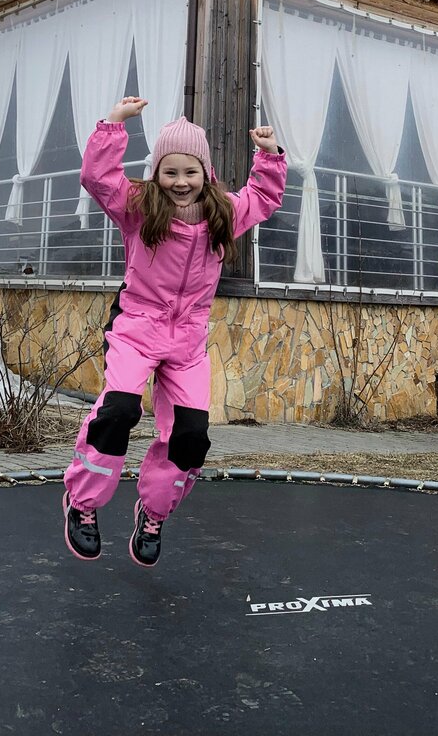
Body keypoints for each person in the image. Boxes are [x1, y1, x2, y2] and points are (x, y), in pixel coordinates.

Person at [62, 97, 286, 567]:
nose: (180, 183)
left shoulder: (224, 214)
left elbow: (262, 198)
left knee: (191, 434)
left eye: (190, 172)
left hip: (187, 341)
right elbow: (97, 178)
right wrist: (114, 126)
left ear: (205, 172)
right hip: (137, 326)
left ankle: (155, 510)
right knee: (119, 410)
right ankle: (82, 502)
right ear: (157, 173)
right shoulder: (138, 208)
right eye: (170, 172)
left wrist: (268, 155)